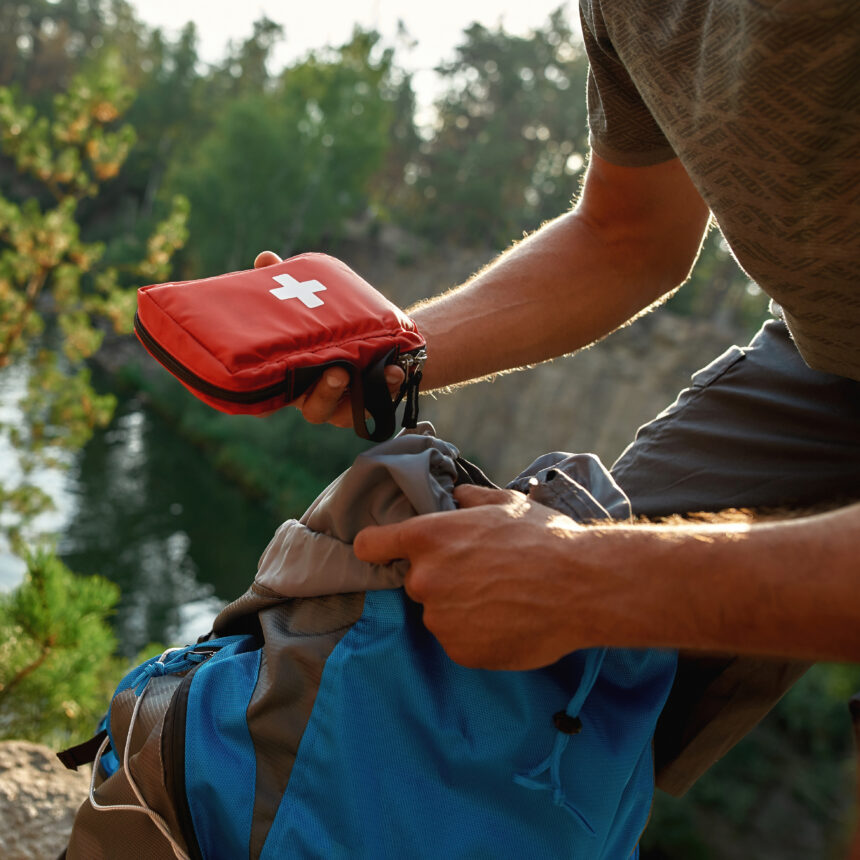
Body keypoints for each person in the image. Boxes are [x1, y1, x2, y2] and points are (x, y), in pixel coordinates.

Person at [255, 0, 859, 718]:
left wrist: (589, 578)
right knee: (533, 670)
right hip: (828, 354)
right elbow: (627, 235)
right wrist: (388, 352)